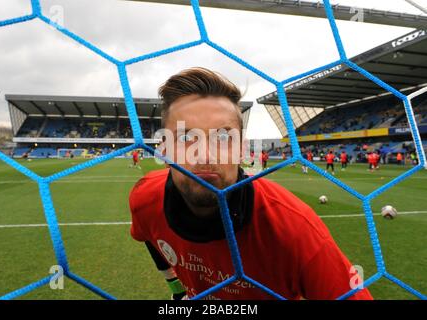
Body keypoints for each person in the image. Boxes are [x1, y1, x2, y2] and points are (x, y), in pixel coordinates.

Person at [129, 67, 372, 300]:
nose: (204, 154)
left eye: (223, 137)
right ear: (163, 149)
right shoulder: (145, 198)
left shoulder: (294, 228)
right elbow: (146, 237)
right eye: (185, 137)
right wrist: (177, 288)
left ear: (243, 149)